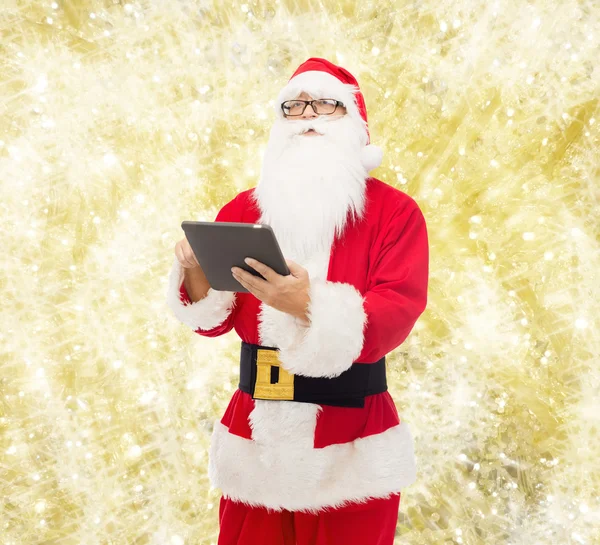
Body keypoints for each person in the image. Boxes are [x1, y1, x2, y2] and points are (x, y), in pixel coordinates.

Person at [167, 58, 429, 545]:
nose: (307, 115)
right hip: (257, 442)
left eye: (326, 105)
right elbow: (212, 321)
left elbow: (395, 314)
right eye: (294, 106)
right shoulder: (243, 209)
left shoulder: (396, 213)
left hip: (351, 443)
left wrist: (308, 304)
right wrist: (194, 270)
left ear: (354, 122)